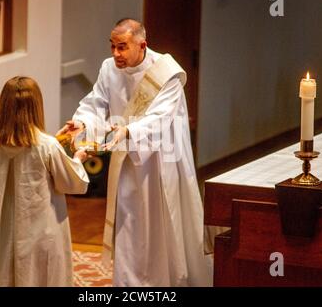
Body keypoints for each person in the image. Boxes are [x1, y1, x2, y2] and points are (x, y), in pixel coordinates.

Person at [58, 19, 211, 286]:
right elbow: (96, 103)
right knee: (130, 225)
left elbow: (161, 117)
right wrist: (83, 123)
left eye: (122, 47)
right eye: (113, 47)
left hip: (162, 162)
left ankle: (168, 284)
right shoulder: (109, 69)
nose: (116, 54)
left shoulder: (168, 73)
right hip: (129, 162)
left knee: (162, 227)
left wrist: (128, 132)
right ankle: (129, 285)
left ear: (142, 45)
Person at [0, 76, 89, 287]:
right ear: (36, 106)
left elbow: (28, 158)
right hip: (40, 232)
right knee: (40, 276)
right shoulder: (46, 146)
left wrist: (56, 143)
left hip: (6, 230)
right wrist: (77, 158)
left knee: (6, 272)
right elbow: (71, 183)